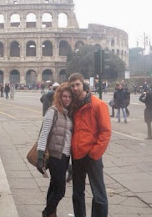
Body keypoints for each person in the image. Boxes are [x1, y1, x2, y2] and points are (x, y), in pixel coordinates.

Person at [68, 73, 111, 217]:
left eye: (77, 85)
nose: (75, 88)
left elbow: (105, 132)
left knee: (98, 194)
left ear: (83, 84)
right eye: (72, 86)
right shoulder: (73, 106)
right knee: (77, 194)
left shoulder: (98, 104)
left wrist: (94, 153)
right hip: (77, 154)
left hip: (92, 155)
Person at [36, 83, 74, 217]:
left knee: (53, 186)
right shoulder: (53, 111)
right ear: (59, 96)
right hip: (54, 155)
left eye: (69, 96)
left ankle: (51, 213)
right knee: (60, 191)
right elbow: (44, 134)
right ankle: (47, 213)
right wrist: (40, 157)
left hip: (65, 156)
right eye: (64, 96)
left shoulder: (69, 113)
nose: (67, 99)